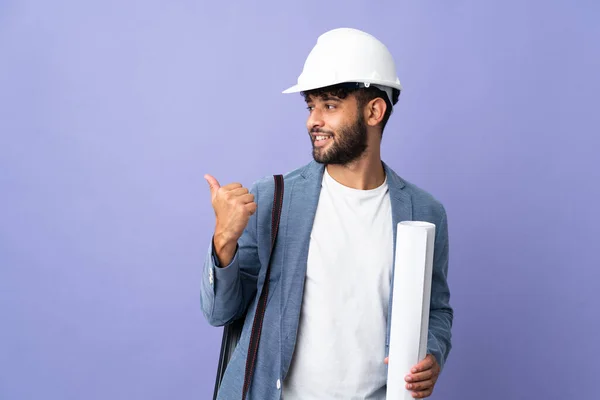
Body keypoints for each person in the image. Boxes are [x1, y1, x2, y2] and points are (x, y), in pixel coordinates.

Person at [201, 27, 453, 399]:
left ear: (374, 110)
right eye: (310, 106)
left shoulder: (423, 212)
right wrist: (224, 240)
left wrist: (431, 352)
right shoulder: (273, 199)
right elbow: (221, 313)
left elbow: (436, 310)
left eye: (330, 106)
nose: (312, 121)